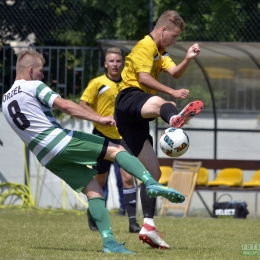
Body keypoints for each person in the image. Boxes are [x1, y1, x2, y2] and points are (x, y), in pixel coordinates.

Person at [1, 49, 184, 254]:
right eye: (41, 71)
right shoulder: (34, 86)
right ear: (31, 70)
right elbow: (66, 107)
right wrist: (98, 119)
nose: (43, 75)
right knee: (115, 149)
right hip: (59, 141)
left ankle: (109, 242)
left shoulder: (6, 99)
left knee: (93, 190)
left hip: (45, 157)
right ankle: (150, 182)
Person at [114, 10, 204, 249]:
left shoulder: (160, 53)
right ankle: (173, 118)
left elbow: (174, 73)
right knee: (167, 103)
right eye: (174, 36)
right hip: (128, 99)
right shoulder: (145, 46)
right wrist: (172, 94)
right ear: (163, 30)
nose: (175, 41)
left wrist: (187, 58)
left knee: (153, 174)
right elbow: (143, 79)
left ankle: (149, 226)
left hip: (136, 117)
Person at [79, 47, 140, 233]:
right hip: (101, 137)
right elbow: (82, 105)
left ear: (123, 63)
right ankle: (93, 212)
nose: (115, 64)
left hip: (124, 138)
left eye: (118, 61)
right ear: (105, 64)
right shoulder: (97, 83)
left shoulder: (129, 84)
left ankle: (132, 222)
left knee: (129, 177)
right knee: (100, 179)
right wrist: (98, 118)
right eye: (111, 61)